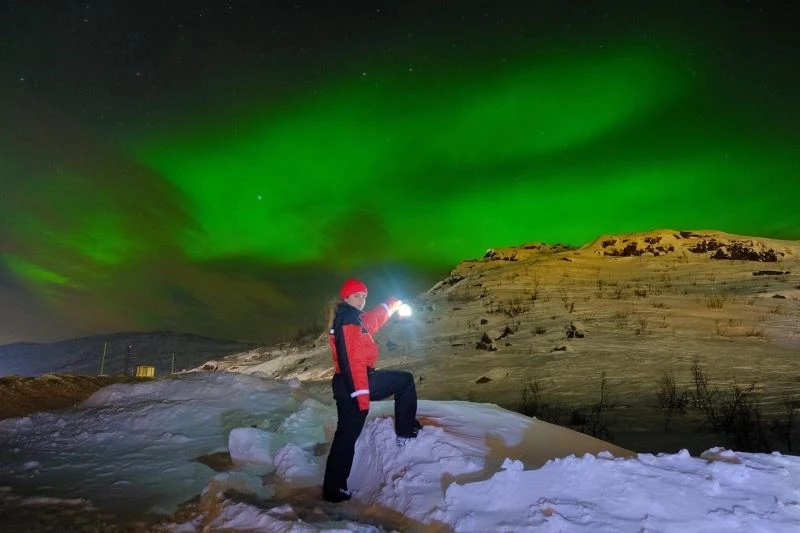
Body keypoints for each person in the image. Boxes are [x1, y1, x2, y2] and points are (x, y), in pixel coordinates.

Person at [322, 278, 421, 503]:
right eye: (357, 295)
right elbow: (352, 358)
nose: (362, 300)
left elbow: (373, 321)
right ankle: (406, 430)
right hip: (357, 380)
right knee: (405, 381)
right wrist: (360, 394)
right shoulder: (348, 318)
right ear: (346, 297)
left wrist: (390, 305)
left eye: (364, 296)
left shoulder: (352, 318)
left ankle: (333, 490)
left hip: (344, 382)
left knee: (345, 437)